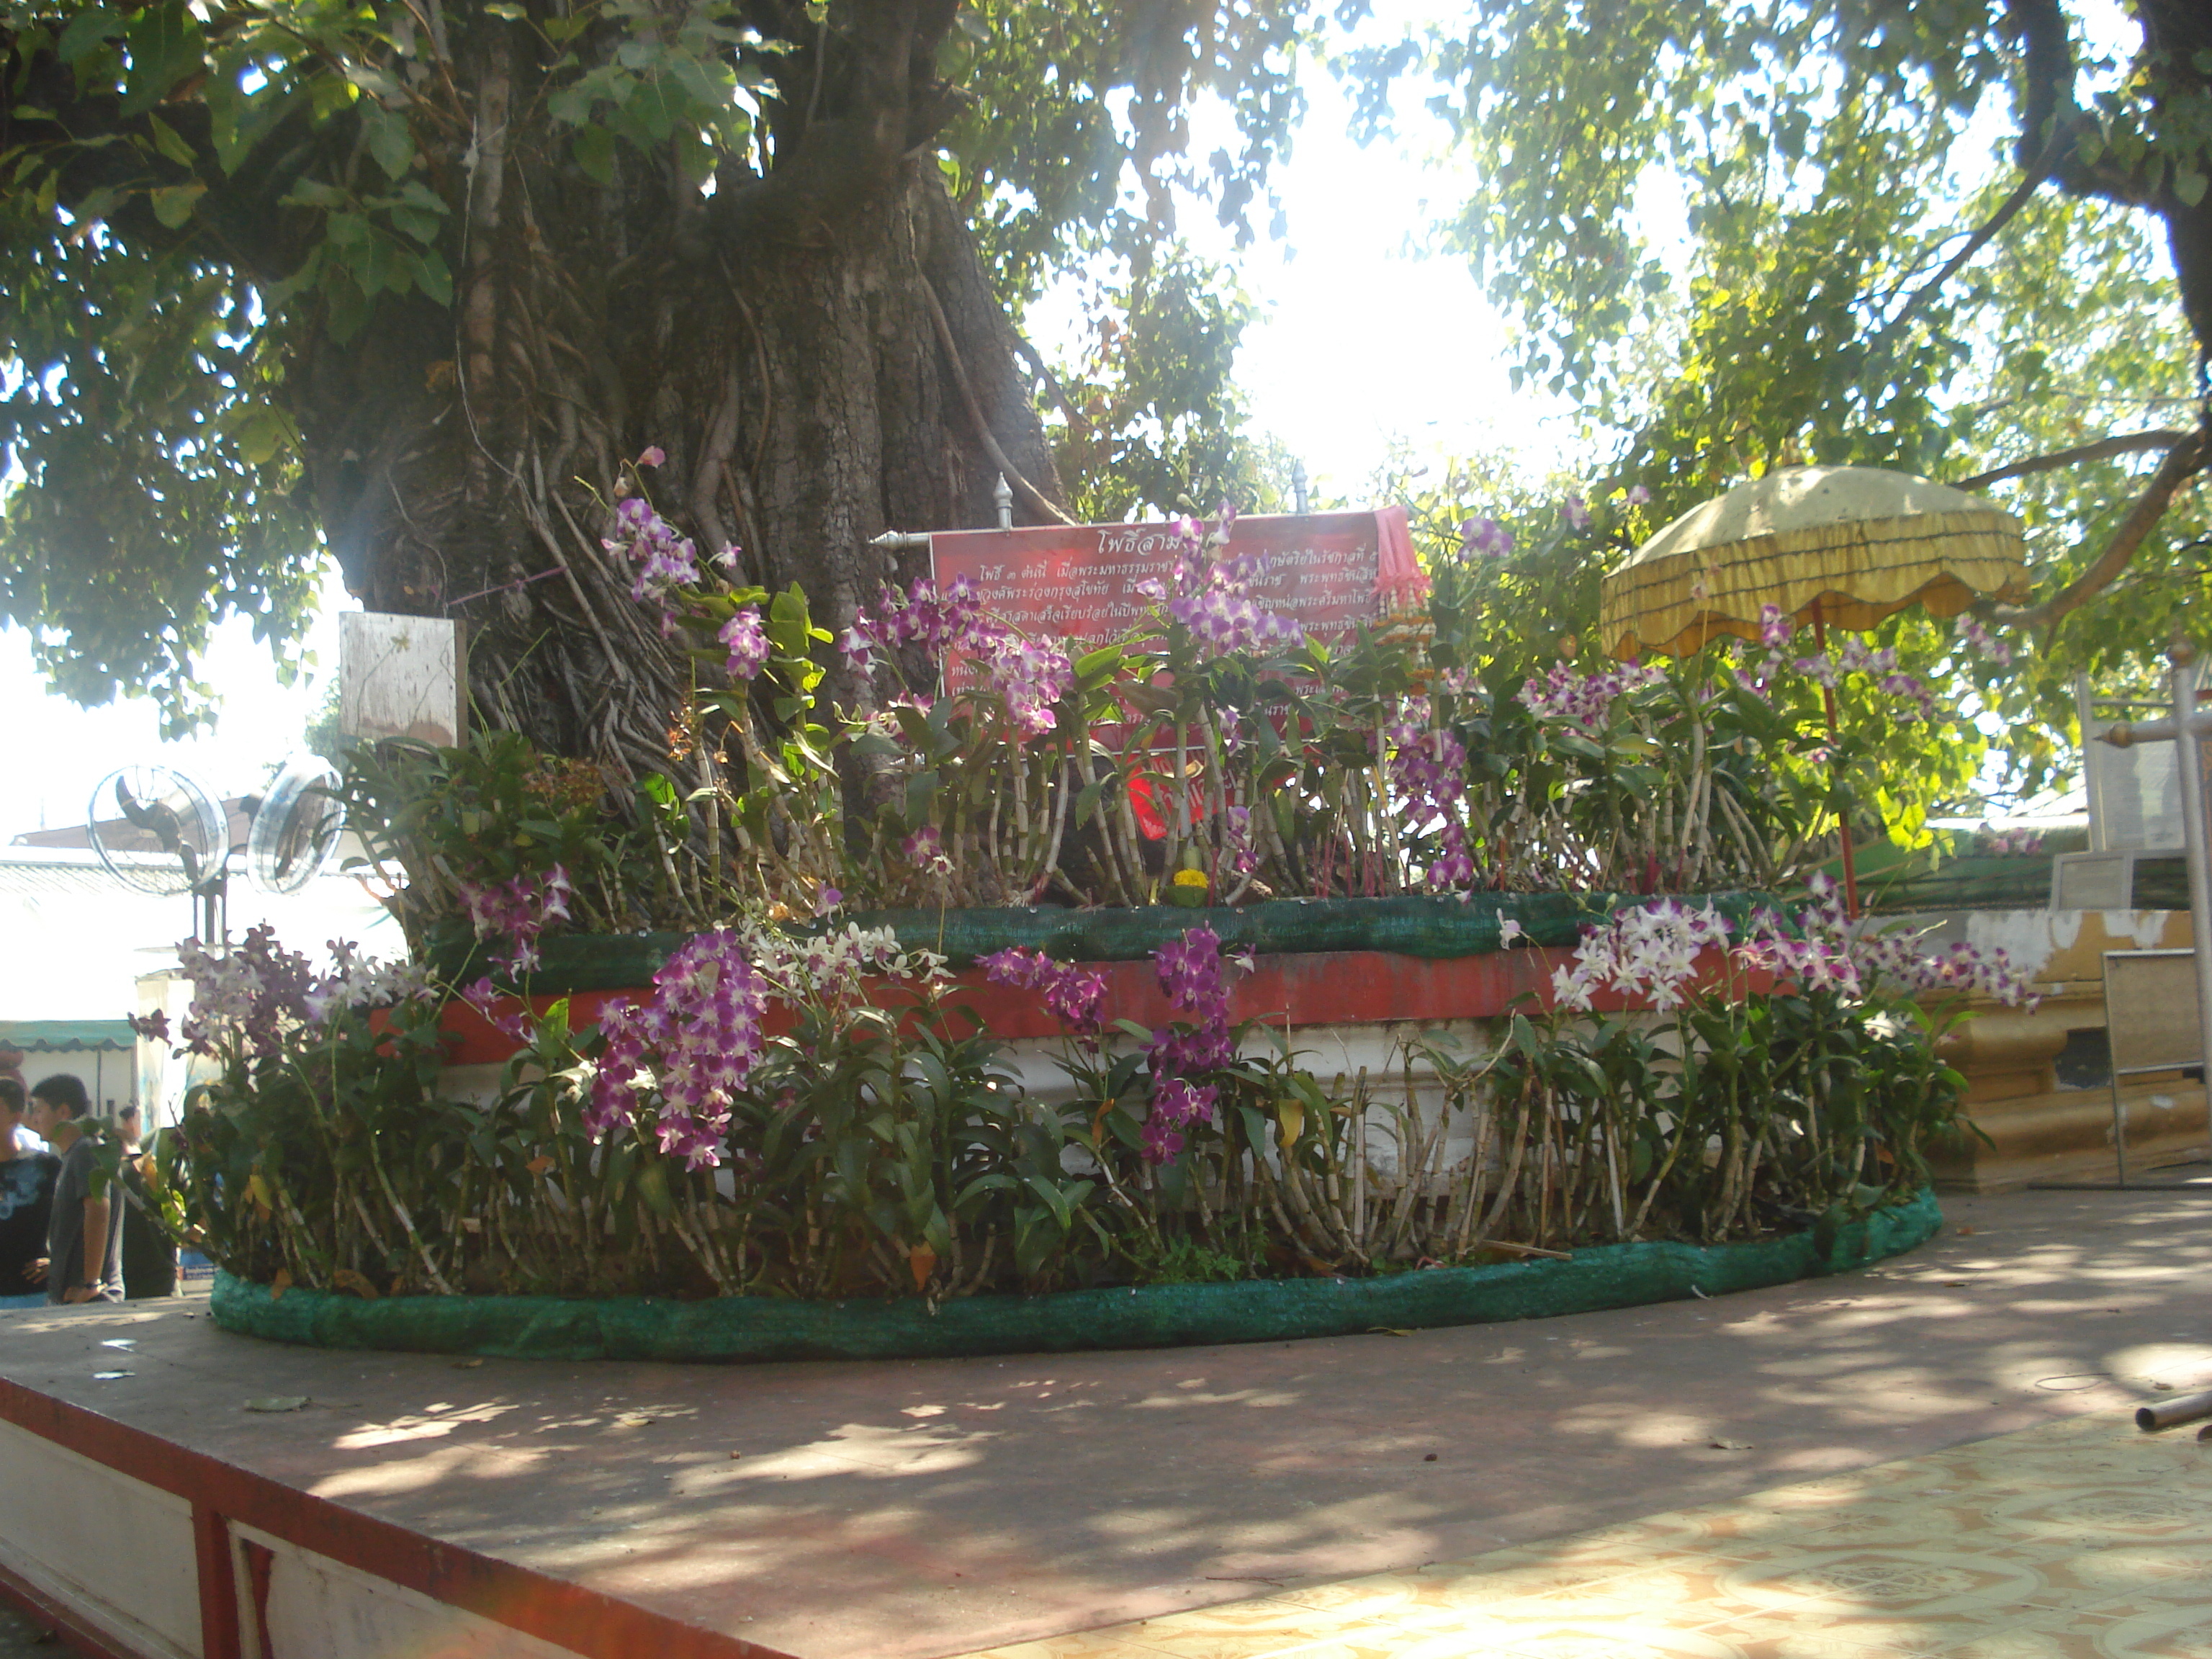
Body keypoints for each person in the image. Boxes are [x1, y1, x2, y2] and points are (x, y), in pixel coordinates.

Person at [25, 1074, 125, 1305]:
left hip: (90, 1298)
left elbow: (98, 1209)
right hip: (74, 1293)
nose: (34, 1119)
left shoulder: (86, 1150)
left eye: (39, 1111)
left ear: (63, 1112)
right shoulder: (73, 1154)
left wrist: (90, 1284)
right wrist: (59, 1262)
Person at [0, 1079, 59, 1309]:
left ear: (16, 1115)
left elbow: (72, 1222)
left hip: (31, 1295)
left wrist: (57, 1261)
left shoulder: (45, 1167)